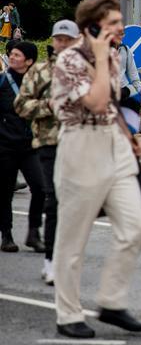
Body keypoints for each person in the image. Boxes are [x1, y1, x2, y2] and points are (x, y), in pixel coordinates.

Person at [50, 0, 141, 339]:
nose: (122, 28)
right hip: (81, 144)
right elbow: (94, 101)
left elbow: (112, 106)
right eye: (115, 23)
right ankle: (68, 313)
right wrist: (103, 59)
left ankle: (112, 301)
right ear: (92, 26)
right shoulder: (69, 60)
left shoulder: (114, 56)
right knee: (73, 240)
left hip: (114, 142)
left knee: (135, 227)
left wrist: (129, 135)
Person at [14, 21, 79, 284]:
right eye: (59, 39)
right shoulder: (40, 72)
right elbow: (21, 105)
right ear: (53, 41)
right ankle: (51, 260)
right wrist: (48, 106)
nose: (63, 44)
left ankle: (69, 256)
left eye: (68, 39)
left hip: (79, 143)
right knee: (54, 199)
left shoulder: (84, 71)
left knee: (76, 203)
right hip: (49, 142)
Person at [0, 41, 46, 254]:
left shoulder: (36, 84)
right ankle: (7, 236)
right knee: (5, 192)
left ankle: (33, 232)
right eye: (12, 54)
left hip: (30, 147)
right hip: (5, 146)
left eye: (18, 55)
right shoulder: (2, 82)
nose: (12, 57)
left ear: (29, 61)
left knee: (40, 187)